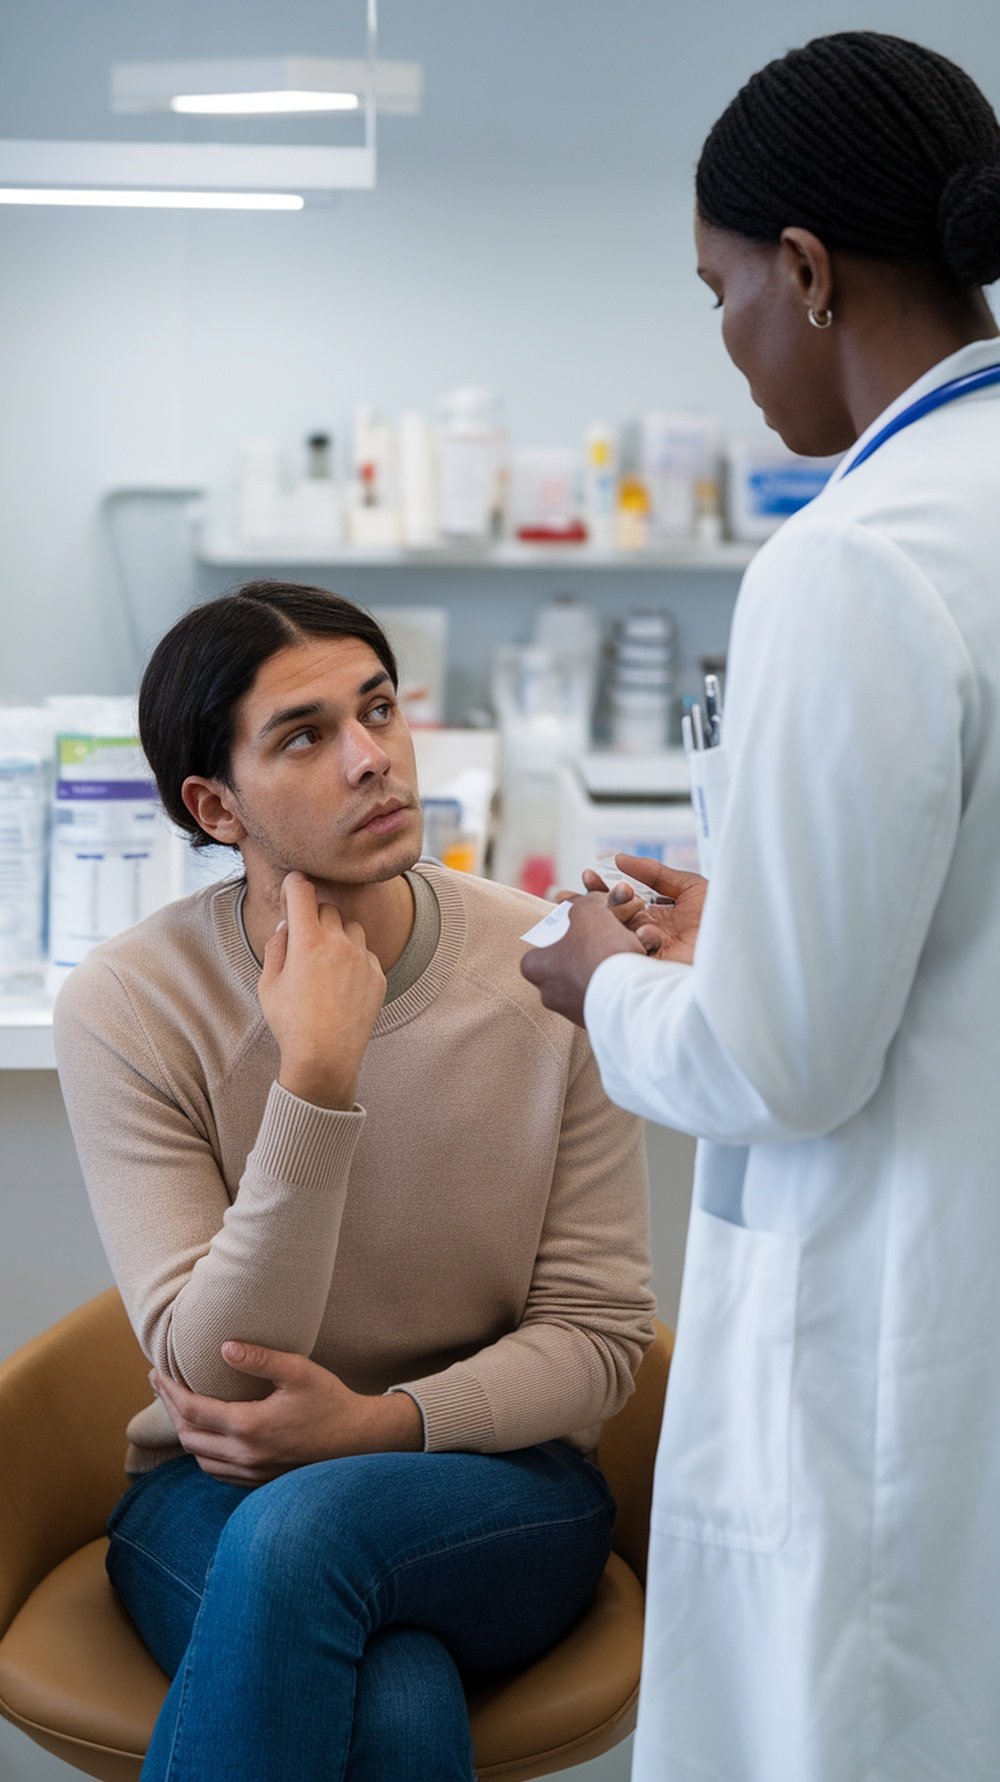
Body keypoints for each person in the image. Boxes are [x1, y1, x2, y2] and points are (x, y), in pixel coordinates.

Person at [521, 31, 1000, 1782]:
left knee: (853, 1721)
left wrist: (600, 982)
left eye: (721, 291)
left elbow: (784, 1066)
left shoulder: (853, 556)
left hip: (884, 1341)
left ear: (804, 271)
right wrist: (760, 911)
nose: (725, 349)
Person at [53, 579, 655, 1782]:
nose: (373, 759)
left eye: (378, 710)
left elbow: (598, 1338)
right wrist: (314, 1079)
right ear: (214, 806)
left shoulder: (555, 972)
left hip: (497, 1488)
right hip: (210, 1490)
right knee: (390, 1702)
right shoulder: (131, 1003)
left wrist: (380, 1426)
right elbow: (213, 1369)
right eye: (307, 736)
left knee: (308, 1529)